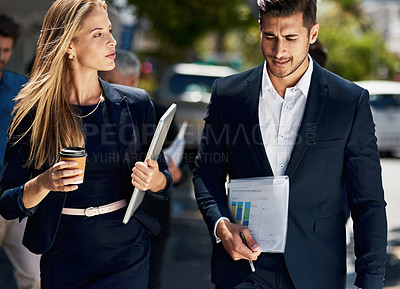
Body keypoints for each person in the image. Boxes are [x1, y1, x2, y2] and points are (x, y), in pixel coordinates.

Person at [192, 1, 387, 289]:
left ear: (313, 33)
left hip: (316, 272)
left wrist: (370, 282)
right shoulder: (227, 95)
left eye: (291, 38)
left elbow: (367, 201)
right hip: (243, 270)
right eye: (270, 36)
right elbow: (206, 173)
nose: (279, 51)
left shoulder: (348, 102)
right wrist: (221, 226)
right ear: (259, 31)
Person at [0, 1, 172, 289]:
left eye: (110, 30)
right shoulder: (34, 112)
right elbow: (7, 203)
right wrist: (44, 183)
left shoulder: (136, 103)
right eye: (98, 34)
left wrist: (154, 179)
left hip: (127, 252)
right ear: (69, 45)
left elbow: (164, 180)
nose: (112, 40)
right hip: (63, 255)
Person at [100, 49, 183, 289]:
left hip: (151, 220)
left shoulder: (158, 113)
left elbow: (181, 171)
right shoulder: (94, 109)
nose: (104, 87)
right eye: (101, 80)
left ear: (133, 80)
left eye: (111, 82)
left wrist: (166, 176)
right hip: (107, 222)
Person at [0, 14, 41, 289]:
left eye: (5, 50)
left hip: (16, 195)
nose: (0, 56)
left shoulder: (21, 89)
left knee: (35, 277)